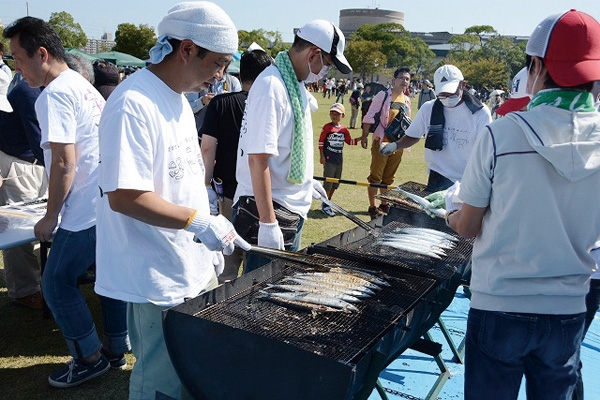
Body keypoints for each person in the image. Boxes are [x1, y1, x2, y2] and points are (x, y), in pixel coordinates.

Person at [94, 3, 250, 399]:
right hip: (155, 274)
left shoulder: (179, 98)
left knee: (192, 371)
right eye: (217, 64)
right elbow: (125, 196)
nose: (220, 76)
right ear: (186, 49)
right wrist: (199, 222)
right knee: (160, 382)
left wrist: (210, 223)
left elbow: (180, 178)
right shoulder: (133, 102)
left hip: (189, 263)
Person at [442, 10, 600, 399]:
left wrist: (449, 207)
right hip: (568, 308)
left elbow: (468, 226)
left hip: (500, 304)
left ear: (537, 65)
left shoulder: (502, 134)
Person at [4, 16, 130, 388]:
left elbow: (63, 161)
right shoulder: (81, 83)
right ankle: (116, 347)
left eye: (18, 58)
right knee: (107, 278)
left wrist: (50, 215)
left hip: (84, 208)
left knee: (57, 283)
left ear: (41, 54)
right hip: (105, 201)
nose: (16, 67)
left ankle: (88, 357)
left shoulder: (54, 93)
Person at [234, 19, 351, 273]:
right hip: (268, 209)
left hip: (288, 206)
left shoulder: (293, 83)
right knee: (261, 294)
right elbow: (258, 159)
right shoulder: (271, 86)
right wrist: (267, 223)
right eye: (328, 65)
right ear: (314, 54)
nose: (325, 72)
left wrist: (307, 181)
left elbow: (290, 143)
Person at [200, 49, 272, 283]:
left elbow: (207, 148)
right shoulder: (271, 103)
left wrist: (205, 185)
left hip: (228, 195)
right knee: (259, 270)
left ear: (240, 75)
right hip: (264, 196)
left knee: (227, 268)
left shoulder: (221, 103)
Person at [381, 65, 492, 192]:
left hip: (467, 179)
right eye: (442, 94)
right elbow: (413, 135)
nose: (447, 98)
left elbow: (486, 151)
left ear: (463, 85)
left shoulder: (480, 113)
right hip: (437, 176)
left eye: (450, 93)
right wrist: (395, 145)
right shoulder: (429, 108)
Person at [0, 68, 47, 310]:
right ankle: (24, 291)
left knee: (36, 229)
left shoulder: (35, 88)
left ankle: (35, 285)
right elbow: (40, 139)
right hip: (20, 164)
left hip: (34, 163)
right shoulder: (28, 90)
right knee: (21, 231)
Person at [360, 67, 412, 219]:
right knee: (375, 177)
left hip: (398, 145)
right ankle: (372, 206)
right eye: (401, 78)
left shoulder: (407, 100)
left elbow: (407, 124)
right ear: (394, 80)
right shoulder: (383, 95)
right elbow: (369, 116)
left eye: (407, 79)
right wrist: (364, 136)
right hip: (381, 142)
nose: (404, 81)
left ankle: (384, 204)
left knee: (389, 178)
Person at [318, 102, 359, 216]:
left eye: (337, 114)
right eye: (332, 113)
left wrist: (362, 138)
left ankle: (328, 201)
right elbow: (321, 142)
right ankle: (325, 205)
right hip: (329, 160)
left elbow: (349, 141)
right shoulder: (327, 127)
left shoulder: (344, 129)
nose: (335, 116)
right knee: (328, 183)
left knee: (336, 183)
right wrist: (321, 156)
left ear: (343, 116)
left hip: (339, 160)